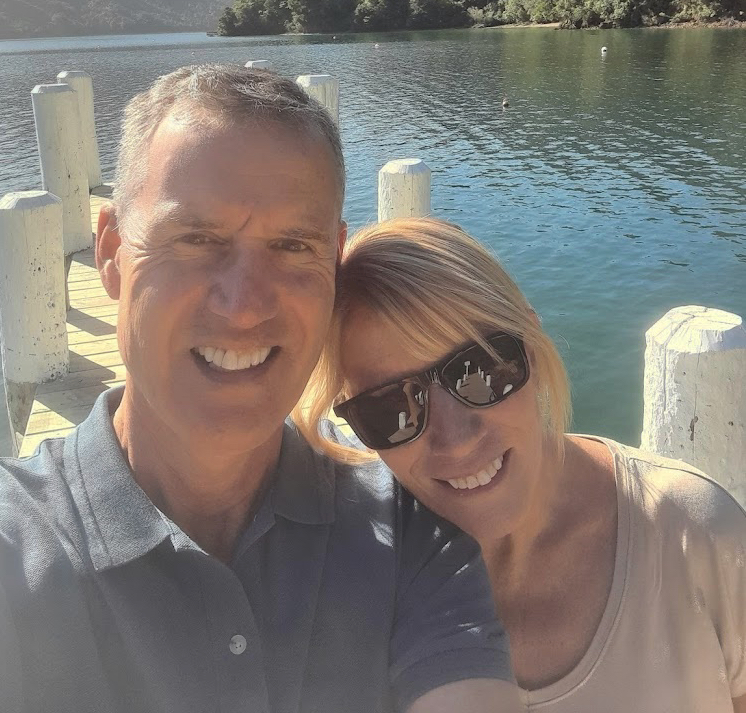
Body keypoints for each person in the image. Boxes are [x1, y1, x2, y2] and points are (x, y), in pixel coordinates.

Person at [0, 67, 521, 712]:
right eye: (195, 239)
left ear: (334, 260)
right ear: (110, 251)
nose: (244, 306)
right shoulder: (16, 549)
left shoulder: (409, 526)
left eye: (292, 247)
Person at [297, 217, 746, 712]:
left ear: (531, 339)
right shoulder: (345, 592)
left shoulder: (696, 537)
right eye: (392, 409)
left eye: (481, 370)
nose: (458, 439)